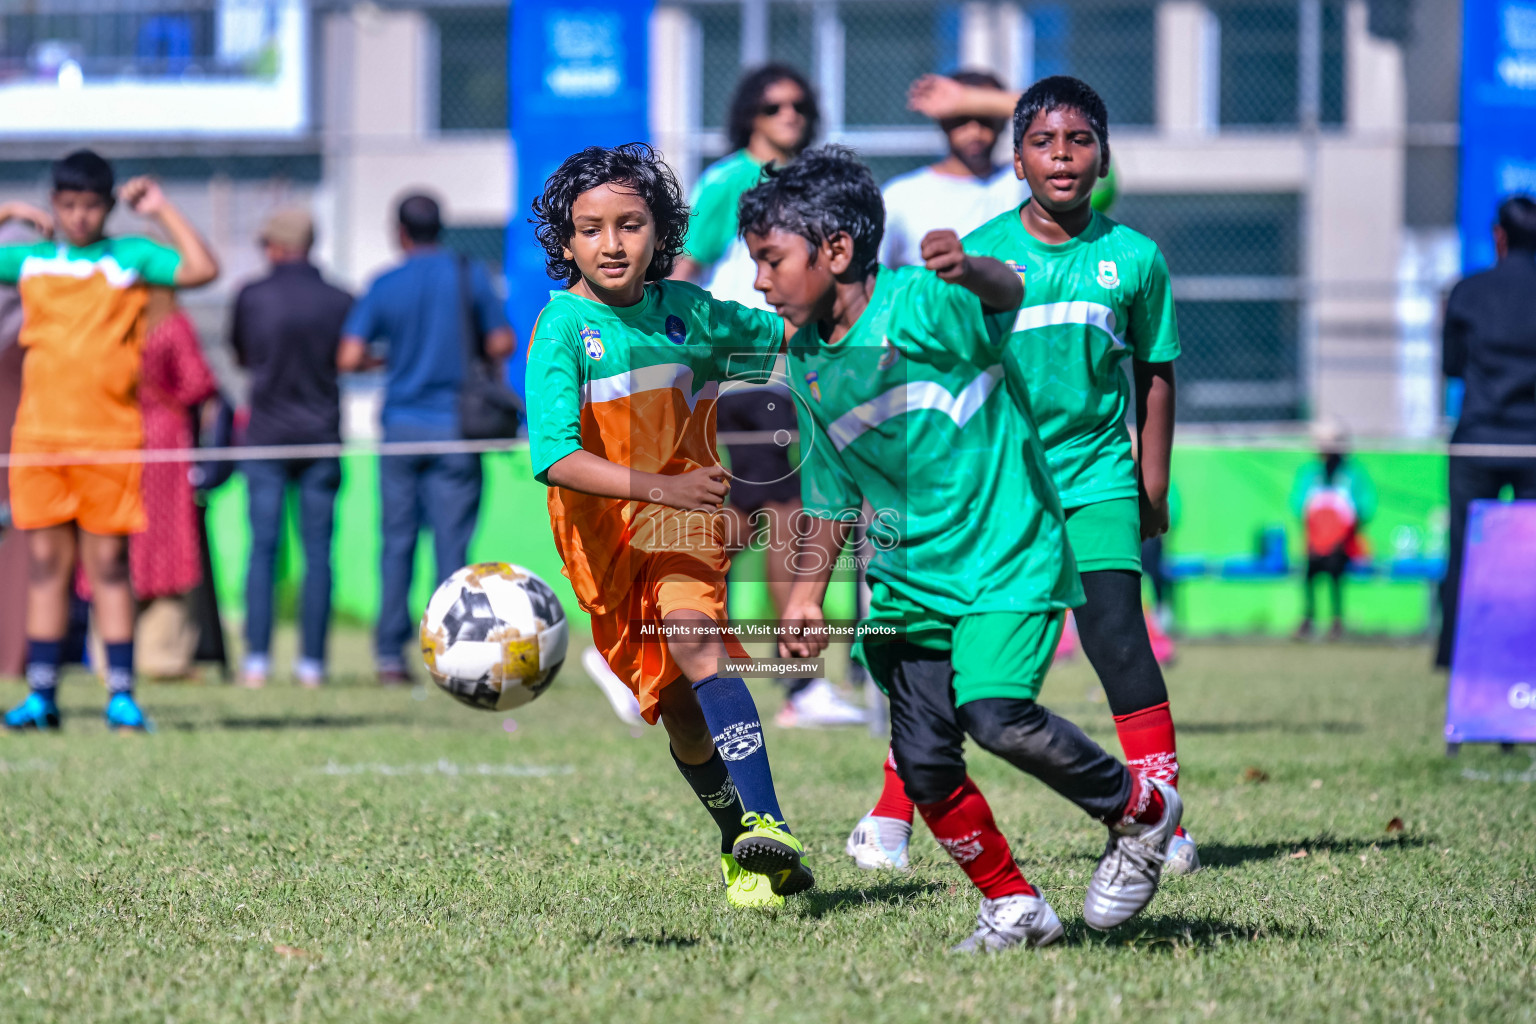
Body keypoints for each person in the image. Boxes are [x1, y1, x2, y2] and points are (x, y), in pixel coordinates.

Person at [742, 145, 1181, 951]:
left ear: (836, 251)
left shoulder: (922, 301)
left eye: (771, 261)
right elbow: (833, 499)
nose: (760, 282)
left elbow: (1008, 291)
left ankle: (1141, 811)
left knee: (997, 716)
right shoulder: (804, 362)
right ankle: (1013, 905)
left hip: (1004, 553)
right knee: (925, 762)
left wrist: (971, 267)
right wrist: (805, 596)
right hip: (909, 581)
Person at [841, 77, 1199, 878]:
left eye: (1079, 141)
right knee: (949, 653)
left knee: (1116, 635)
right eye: (1044, 142)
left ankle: (1162, 816)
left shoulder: (1136, 259)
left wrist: (1153, 483)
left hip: (1098, 478)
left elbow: (1158, 373)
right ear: (1017, 157)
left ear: (1102, 154)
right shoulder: (980, 255)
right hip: (997, 489)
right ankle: (894, 814)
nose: (1062, 156)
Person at [526, 143, 812, 909]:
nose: (611, 244)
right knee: (681, 719)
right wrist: (653, 487)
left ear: (663, 233)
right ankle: (737, 843)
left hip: (685, 527)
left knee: (697, 640)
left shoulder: (689, 314)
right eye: (591, 229)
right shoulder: (561, 331)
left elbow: (788, 335)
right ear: (565, 240)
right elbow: (554, 457)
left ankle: (769, 826)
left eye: (630, 225)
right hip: (605, 547)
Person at [663, 64, 862, 727]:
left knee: (742, 524)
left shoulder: (808, 187)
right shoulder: (727, 181)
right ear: (751, 113)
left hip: (792, 370)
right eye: (777, 106)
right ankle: (801, 688)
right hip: (750, 372)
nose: (792, 116)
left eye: (802, 105)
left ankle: (652, 642)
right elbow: (684, 273)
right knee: (790, 518)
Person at [0, 149, 219, 731]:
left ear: (106, 205)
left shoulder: (129, 258)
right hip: (41, 441)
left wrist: (161, 209)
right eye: (68, 205)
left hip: (110, 440)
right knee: (47, 565)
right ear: (54, 204)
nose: (79, 217)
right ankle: (41, 695)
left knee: (109, 566)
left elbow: (202, 269)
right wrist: (6, 213)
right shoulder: (31, 261)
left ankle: (121, 694)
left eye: (91, 205)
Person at [339, 194, 515, 685]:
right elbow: (502, 341)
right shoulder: (469, 274)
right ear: (442, 228)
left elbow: (349, 356)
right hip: (456, 429)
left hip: (400, 429)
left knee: (396, 543)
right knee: (452, 546)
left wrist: (391, 361)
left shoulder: (385, 283)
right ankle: (452, 651)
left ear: (400, 232)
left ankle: (388, 656)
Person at [231, 208, 354, 687]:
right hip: (322, 436)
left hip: (264, 438)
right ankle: (312, 664)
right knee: (318, 552)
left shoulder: (251, 296)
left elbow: (241, 356)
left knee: (262, 550)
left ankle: (257, 661)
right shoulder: (339, 298)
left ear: (277, 246)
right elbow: (349, 358)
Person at [1436, 195, 1536, 669]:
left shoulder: (1468, 291)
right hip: (1533, 442)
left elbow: (1452, 366)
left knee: (1465, 550)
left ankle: (1456, 655)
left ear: (1500, 236)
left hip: (1478, 437)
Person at [132, 286, 219, 678]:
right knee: (168, 545)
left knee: (116, 546)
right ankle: (162, 655)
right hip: (165, 444)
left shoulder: (111, 321)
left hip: (116, 438)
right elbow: (197, 382)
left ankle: (110, 654)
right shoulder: (171, 325)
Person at [879, 70, 1027, 267]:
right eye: (961, 119)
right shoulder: (900, 195)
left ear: (1003, 122)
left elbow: (1066, 113)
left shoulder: (1022, 183)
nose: (974, 131)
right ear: (943, 122)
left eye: (986, 119)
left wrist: (968, 99)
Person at [1291, 420, 1375, 640]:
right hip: (1315, 542)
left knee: (1335, 566)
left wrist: (1340, 531)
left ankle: (1337, 620)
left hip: (1342, 545)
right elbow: (1298, 504)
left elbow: (1365, 506)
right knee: (1310, 568)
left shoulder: (1353, 474)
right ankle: (1308, 617)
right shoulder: (1310, 474)